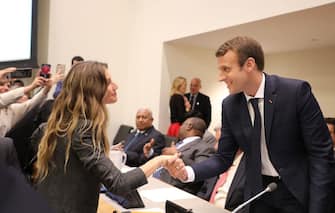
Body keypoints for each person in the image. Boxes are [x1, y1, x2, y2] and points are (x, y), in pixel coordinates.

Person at [168, 36, 335, 213]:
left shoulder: (295, 93)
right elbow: (223, 158)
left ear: (249, 65)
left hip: (297, 194)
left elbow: (321, 155)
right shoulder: (230, 105)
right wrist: (188, 172)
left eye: (226, 69)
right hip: (258, 194)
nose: (220, 77)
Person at [32, 61, 177, 213]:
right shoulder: (84, 129)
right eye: (108, 82)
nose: (116, 86)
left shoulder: (51, 127)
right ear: (92, 89)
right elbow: (119, 184)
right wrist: (160, 160)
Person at [157, 117, 215, 195]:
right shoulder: (177, 142)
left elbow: (201, 170)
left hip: (171, 188)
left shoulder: (205, 148)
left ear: (189, 126)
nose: (179, 127)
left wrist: (177, 155)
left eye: (182, 124)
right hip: (155, 179)